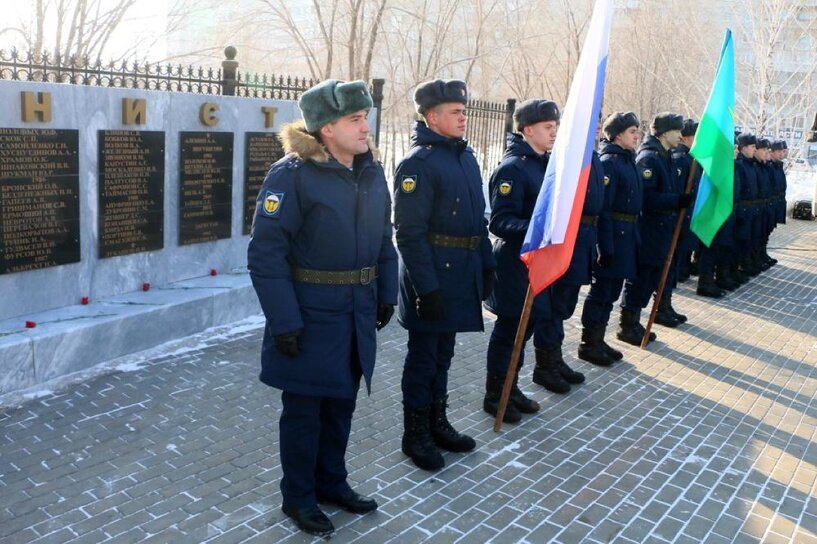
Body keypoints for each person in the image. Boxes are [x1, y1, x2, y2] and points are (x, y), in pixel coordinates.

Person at [247, 79, 398, 537]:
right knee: (305, 412)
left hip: (355, 311)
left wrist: (387, 291)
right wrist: (285, 321)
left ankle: (332, 482)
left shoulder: (371, 172)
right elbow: (266, 254)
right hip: (311, 315)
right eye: (355, 119)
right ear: (326, 129)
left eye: (365, 117)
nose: (365, 127)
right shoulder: (291, 175)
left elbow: (383, 240)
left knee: (341, 405)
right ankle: (298, 496)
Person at [393, 79, 496, 470]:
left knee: (444, 354)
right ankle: (415, 434)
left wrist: (487, 265)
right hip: (432, 278)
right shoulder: (417, 164)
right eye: (455, 112)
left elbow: (477, 221)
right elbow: (409, 233)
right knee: (423, 356)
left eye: (464, 110)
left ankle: (437, 422)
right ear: (432, 117)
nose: (463, 117)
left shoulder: (465, 158)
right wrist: (427, 288)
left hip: (461, 273)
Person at [483, 99, 573, 422]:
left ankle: (512, 386)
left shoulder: (542, 164)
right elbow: (499, 222)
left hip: (536, 264)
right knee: (509, 330)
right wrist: (538, 231)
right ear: (528, 129)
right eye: (548, 127)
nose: (554, 133)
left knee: (528, 326)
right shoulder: (512, 169)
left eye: (555, 127)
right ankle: (495, 395)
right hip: (514, 264)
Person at [532, 116, 606, 382]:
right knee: (552, 306)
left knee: (564, 305)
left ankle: (556, 358)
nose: (597, 125)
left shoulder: (592, 156)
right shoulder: (569, 155)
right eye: (591, 119)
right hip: (566, 239)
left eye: (599, 120)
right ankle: (544, 365)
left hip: (584, 238)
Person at [618, 113, 691, 345]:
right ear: (662, 132)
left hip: (662, 229)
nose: (680, 135)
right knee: (640, 277)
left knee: (650, 277)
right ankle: (627, 324)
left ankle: (636, 321)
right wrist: (675, 200)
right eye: (675, 130)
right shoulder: (649, 158)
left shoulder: (665, 156)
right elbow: (646, 198)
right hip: (649, 229)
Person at [579, 111, 642, 363]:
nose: (637, 136)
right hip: (613, 235)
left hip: (627, 235)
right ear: (617, 135)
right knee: (601, 291)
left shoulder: (628, 161)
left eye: (637, 131)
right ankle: (588, 343)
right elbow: (604, 209)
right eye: (632, 132)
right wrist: (605, 245)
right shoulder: (610, 163)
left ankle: (599, 338)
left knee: (612, 291)